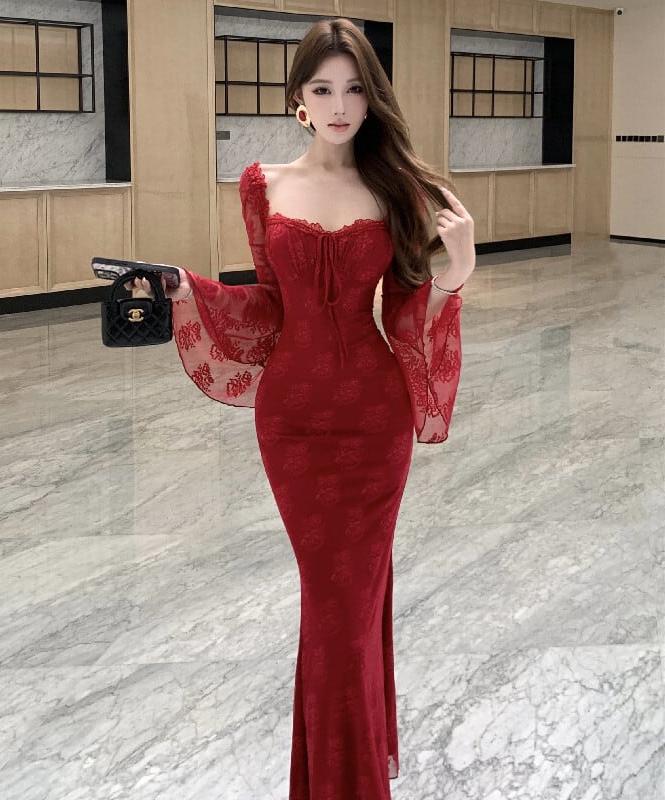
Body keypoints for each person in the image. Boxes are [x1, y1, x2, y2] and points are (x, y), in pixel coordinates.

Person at [131, 17, 475, 800]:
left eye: (354, 88)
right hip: (291, 423)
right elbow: (269, 306)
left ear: (372, 97)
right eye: (323, 88)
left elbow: (406, 317)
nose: (340, 104)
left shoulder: (397, 189)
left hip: (374, 424)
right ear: (299, 99)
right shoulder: (261, 185)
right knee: (336, 600)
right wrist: (187, 289)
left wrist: (457, 271)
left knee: (342, 608)